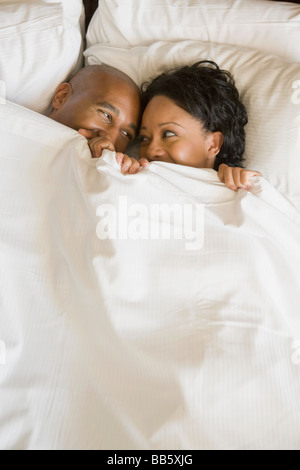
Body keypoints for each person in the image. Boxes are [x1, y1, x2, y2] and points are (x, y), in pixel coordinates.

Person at [137, 61, 261, 191]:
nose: (151, 151)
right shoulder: (130, 179)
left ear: (213, 144)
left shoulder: (241, 194)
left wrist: (245, 186)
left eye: (169, 134)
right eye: (144, 138)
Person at [48, 64, 143, 175]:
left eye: (126, 133)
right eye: (106, 116)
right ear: (62, 97)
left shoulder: (115, 173)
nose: (110, 139)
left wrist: (119, 176)